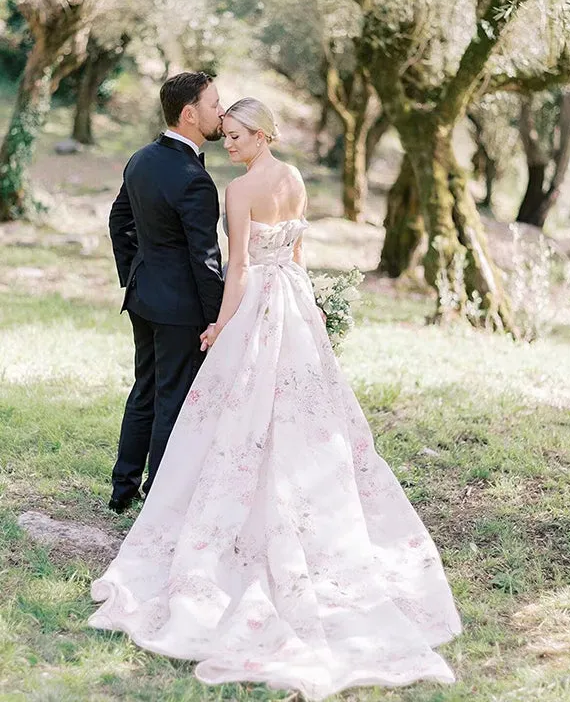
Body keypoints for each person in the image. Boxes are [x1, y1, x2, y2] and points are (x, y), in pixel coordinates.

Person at [90, 97, 461, 700]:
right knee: (299, 412)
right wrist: (312, 307)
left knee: (242, 413)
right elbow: (297, 255)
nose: (227, 145)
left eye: (236, 136)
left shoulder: (239, 191)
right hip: (292, 300)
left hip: (259, 303)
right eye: (226, 134)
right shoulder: (293, 179)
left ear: (262, 136)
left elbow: (237, 270)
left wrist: (218, 326)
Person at [107, 71, 225, 513]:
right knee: (172, 396)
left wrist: (134, 273)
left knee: (145, 389)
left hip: (142, 298)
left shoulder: (140, 158)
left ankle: (122, 491)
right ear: (189, 114)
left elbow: (119, 221)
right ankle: (159, 500)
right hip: (179, 308)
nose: (221, 112)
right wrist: (217, 319)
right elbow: (205, 258)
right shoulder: (194, 177)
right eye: (214, 105)